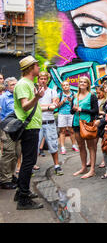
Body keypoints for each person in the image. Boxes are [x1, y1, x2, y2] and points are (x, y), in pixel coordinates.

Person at [13, 55, 45, 209]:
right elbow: (25, 106)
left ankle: (21, 192)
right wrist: (37, 97)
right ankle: (23, 200)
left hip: (33, 126)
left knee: (28, 161)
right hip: (29, 128)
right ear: (31, 68)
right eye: (37, 65)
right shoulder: (23, 84)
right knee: (28, 163)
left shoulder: (28, 83)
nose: (39, 68)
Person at [71, 76, 99, 179]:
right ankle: (84, 167)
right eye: (80, 82)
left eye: (84, 82)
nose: (82, 83)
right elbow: (71, 111)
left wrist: (82, 109)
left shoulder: (92, 95)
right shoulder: (75, 96)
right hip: (76, 124)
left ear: (88, 84)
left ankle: (92, 170)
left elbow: (95, 111)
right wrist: (74, 109)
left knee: (91, 146)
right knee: (80, 146)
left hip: (88, 123)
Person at [37, 71, 63, 176]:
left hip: (50, 122)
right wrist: (48, 106)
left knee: (53, 145)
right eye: (41, 78)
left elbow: (55, 105)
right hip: (37, 123)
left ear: (47, 80)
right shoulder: (35, 91)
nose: (43, 81)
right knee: (34, 146)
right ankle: (31, 166)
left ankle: (57, 165)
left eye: (45, 79)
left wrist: (45, 107)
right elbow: (35, 107)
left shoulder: (52, 92)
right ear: (38, 79)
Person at [0, 77, 21, 190]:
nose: (15, 86)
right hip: (7, 129)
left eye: (16, 84)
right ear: (7, 86)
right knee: (8, 153)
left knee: (16, 153)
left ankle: (11, 175)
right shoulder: (3, 98)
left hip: (17, 128)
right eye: (12, 85)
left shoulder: (18, 96)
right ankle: (4, 180)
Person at [56, 80, 78, 154]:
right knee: (62, 131)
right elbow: (57, 106)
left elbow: (76, 105)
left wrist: (71, 101)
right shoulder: (60, 94)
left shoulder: (74, 94)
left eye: (67, 85)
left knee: (72, 130)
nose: (65, 86)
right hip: (62, 114)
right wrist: (62, 101)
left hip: (71, 114)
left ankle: (74, 145)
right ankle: (62, 147)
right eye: (64, 85)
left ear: (69, 86)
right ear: (62, 87)